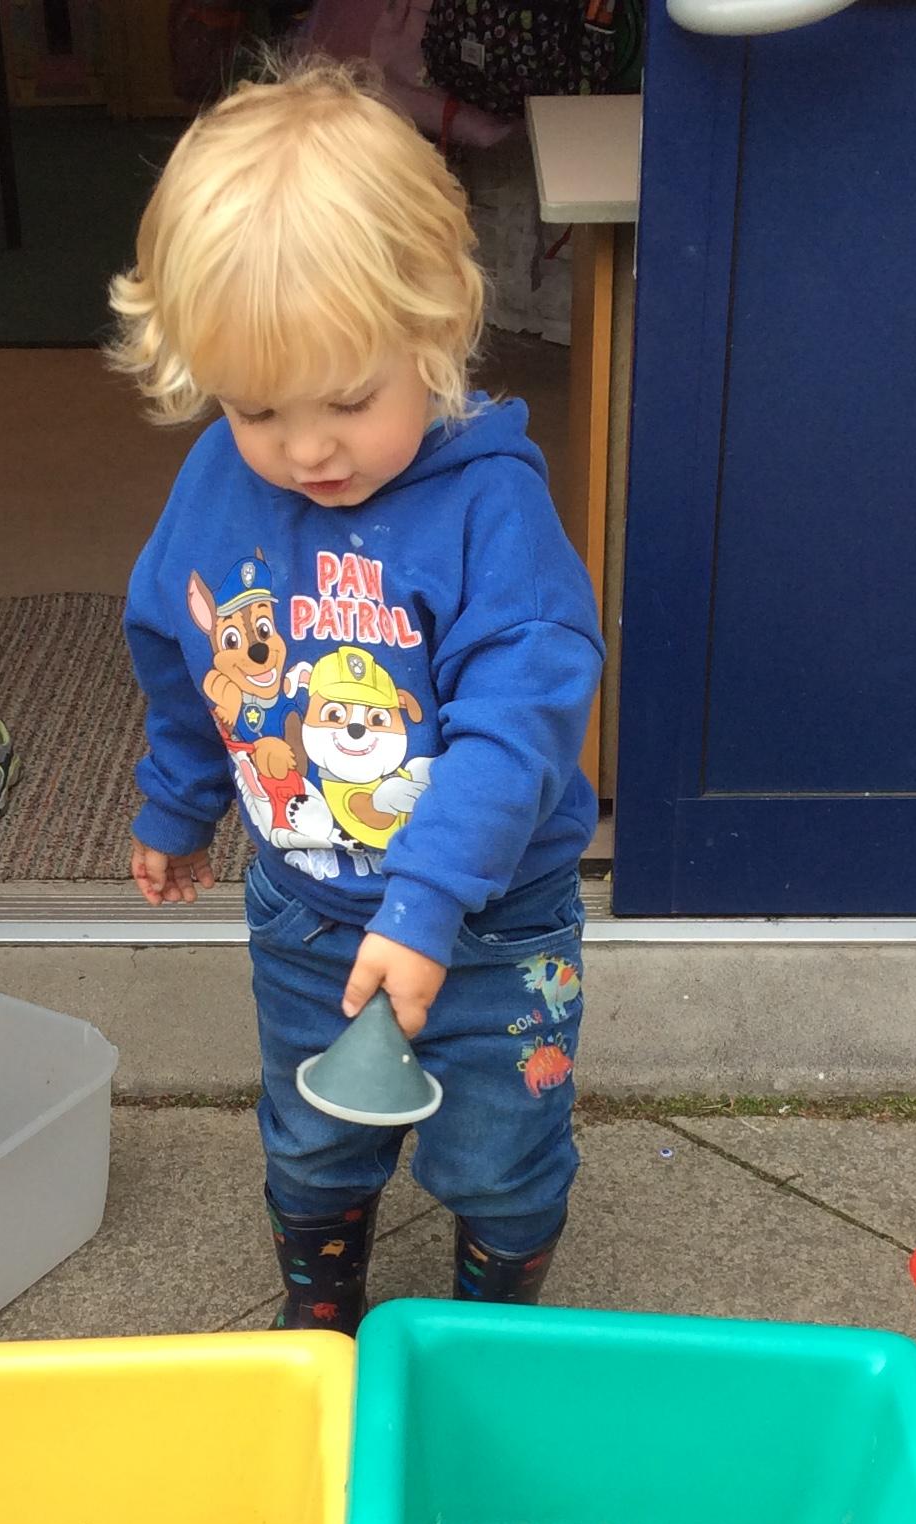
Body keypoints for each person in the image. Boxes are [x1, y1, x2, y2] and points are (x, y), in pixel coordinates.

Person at [108, 58, 602, 1334]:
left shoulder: (490, 511)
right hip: (307, 910)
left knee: (498, 1152)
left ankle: (492, 1339)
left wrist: (430, 906)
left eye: (347, 400)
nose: (306, 448)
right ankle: (321, 1324)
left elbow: (518, 725)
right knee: (315, 1136)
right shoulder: (221, 485)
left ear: (437, 328)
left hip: (491, 924)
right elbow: (182, 648)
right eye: (256, 407)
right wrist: (179, 800)